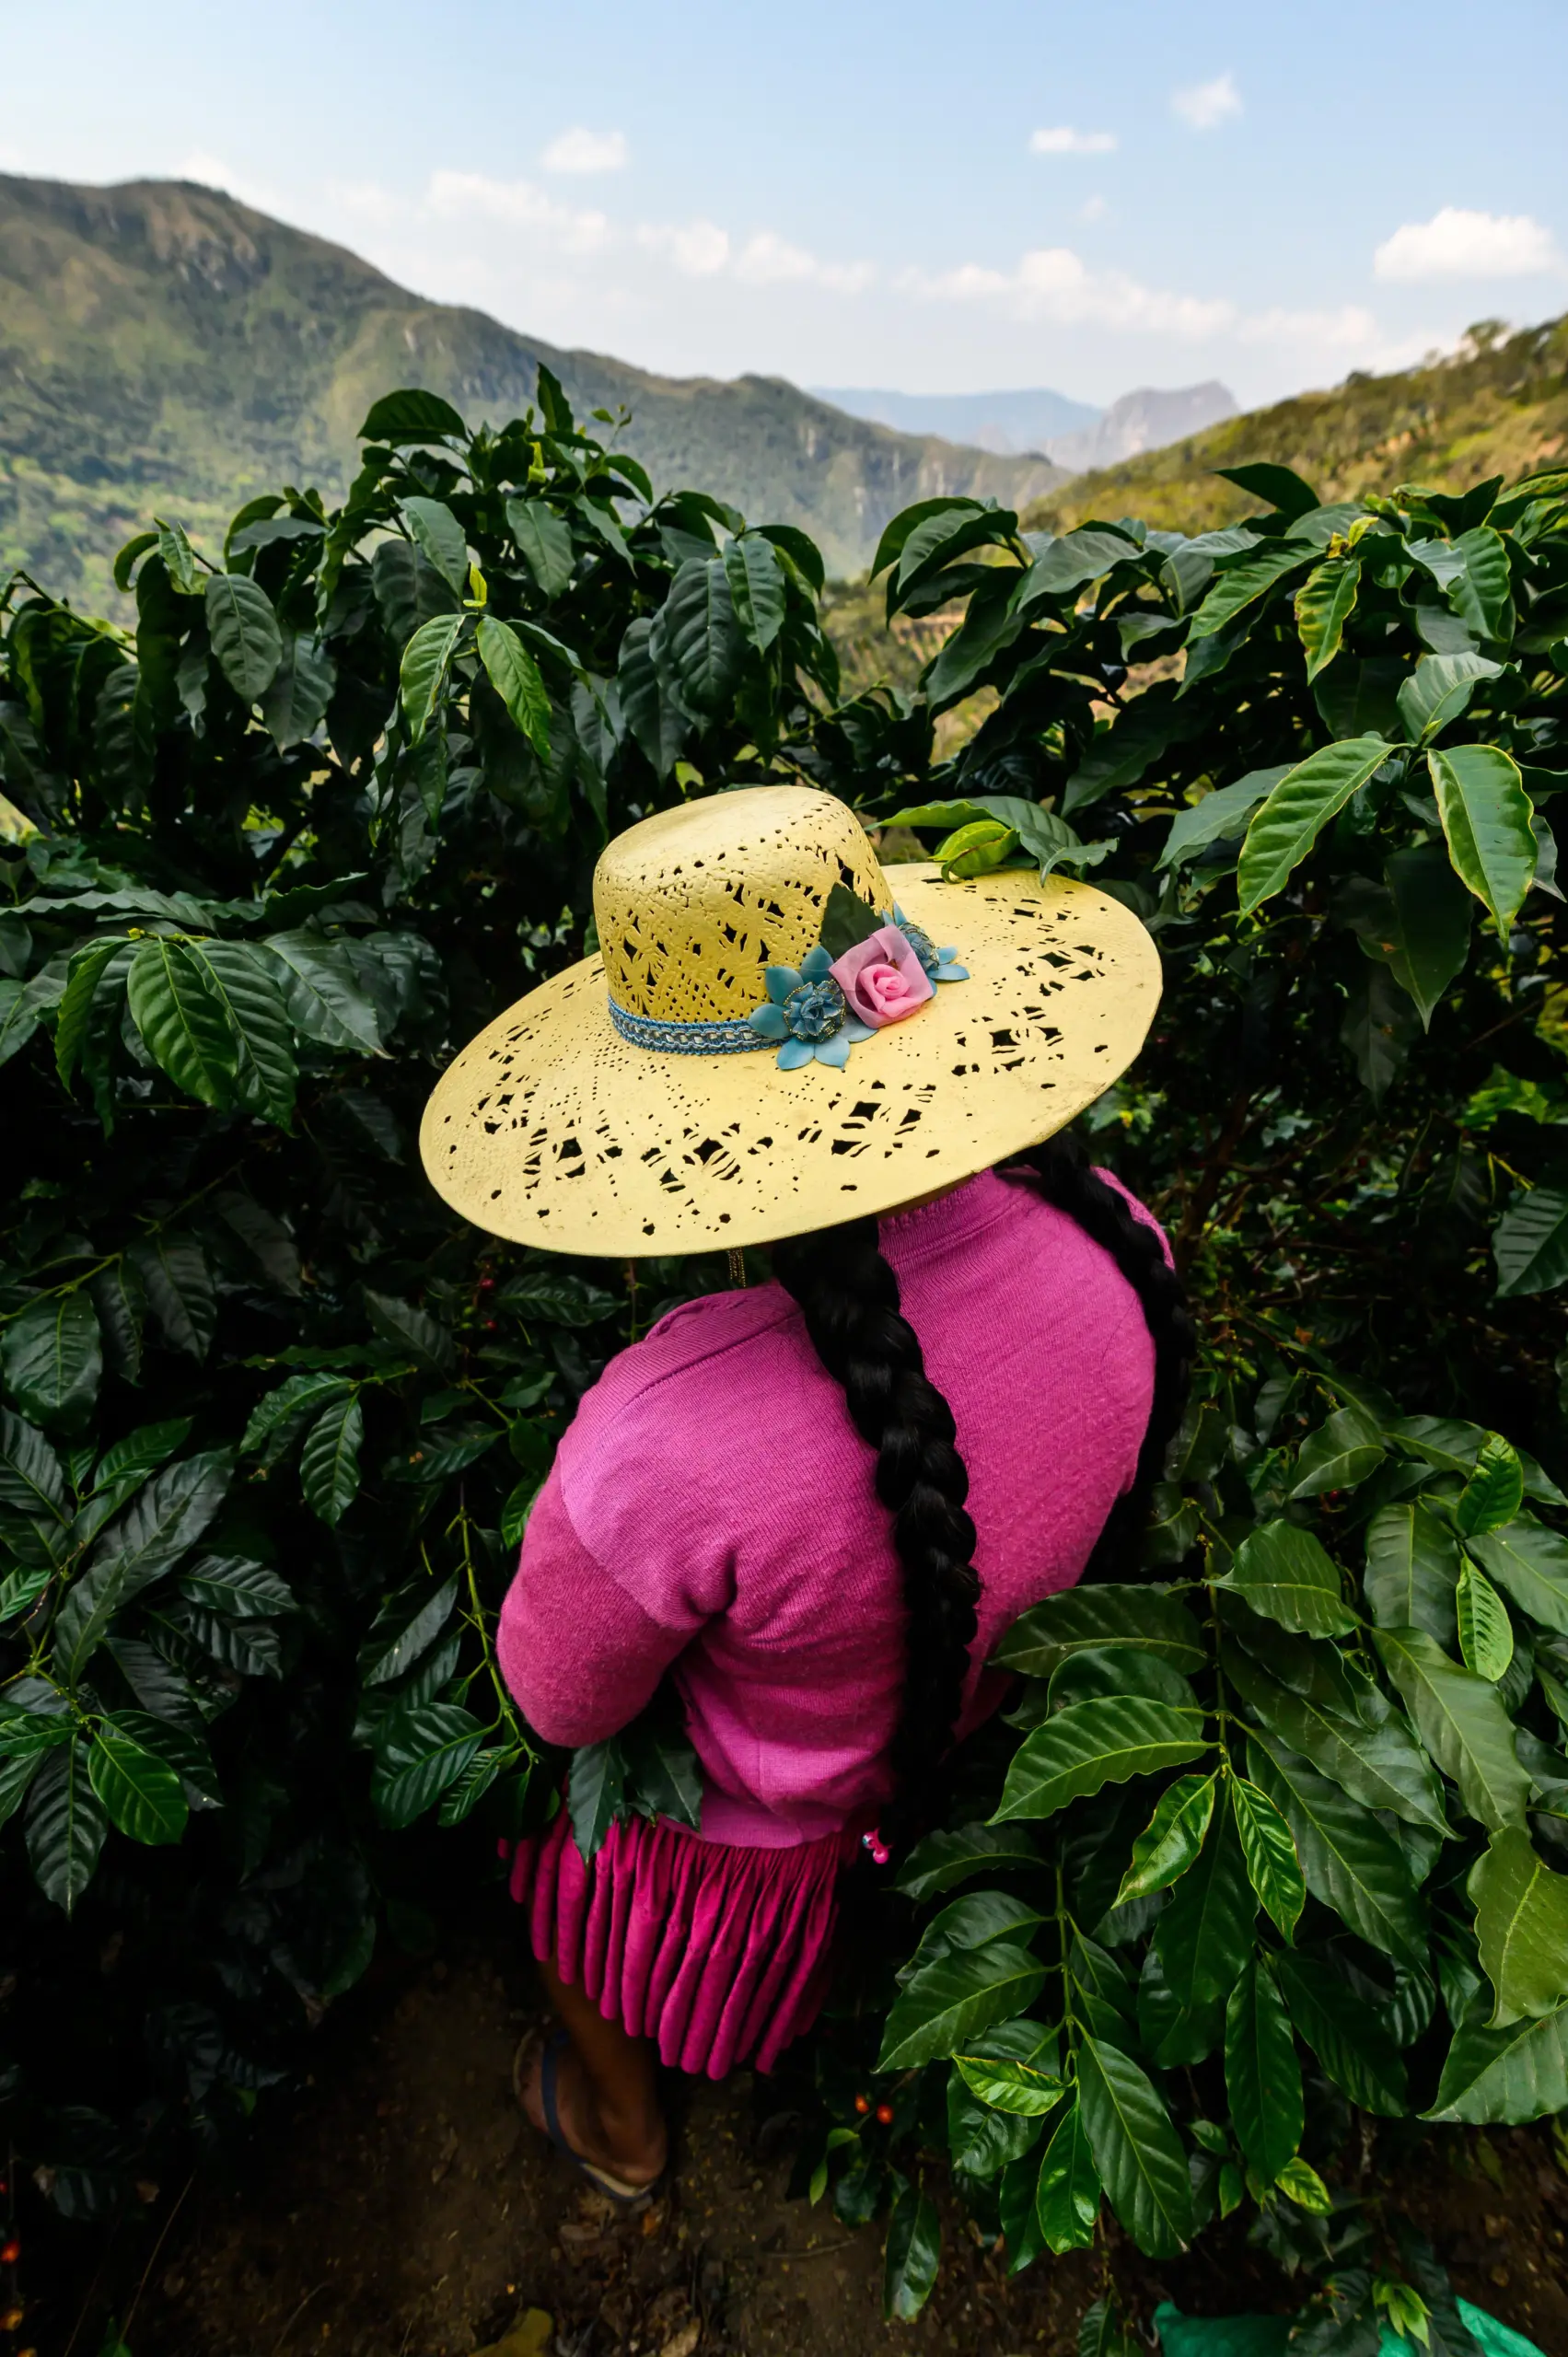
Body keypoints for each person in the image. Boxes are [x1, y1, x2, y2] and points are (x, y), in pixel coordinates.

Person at [419, 784, 1191, 2204]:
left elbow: (558, 1708)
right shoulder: (1116, 1239)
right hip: (958, 1743)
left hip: (755, 1852)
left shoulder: (663, 1438)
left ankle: (621, 2127)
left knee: (547, 1854)